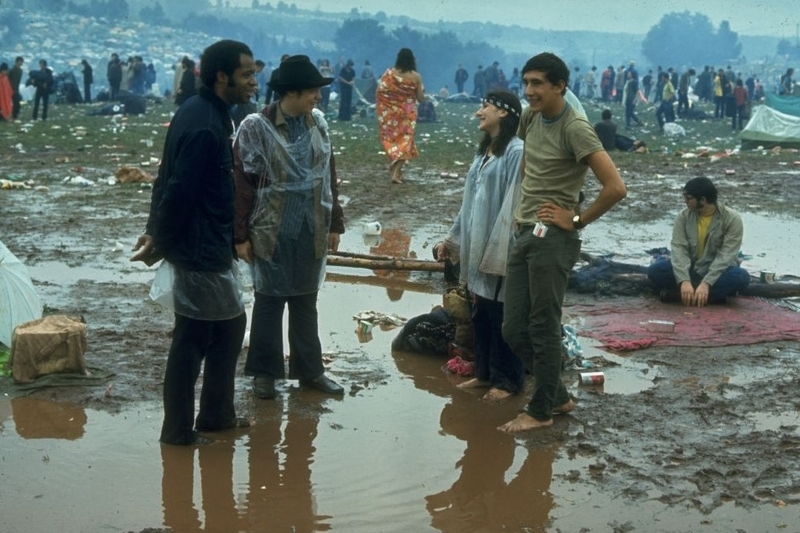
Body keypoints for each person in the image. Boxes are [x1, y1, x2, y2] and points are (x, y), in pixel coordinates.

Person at [129, 39, 258, 446]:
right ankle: (179, 432)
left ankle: (215, 415)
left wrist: (155, 230)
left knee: (224, 328)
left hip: (205, 242)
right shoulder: (205, 123)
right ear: (222, 76)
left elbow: (164, 177)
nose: (254, 82)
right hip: (199, 247)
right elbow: (179, 188)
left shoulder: (204, 112)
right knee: (194, 339)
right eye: (246, 75)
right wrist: (160, 241)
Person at [499, 52, 626, 433]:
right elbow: (530, 164)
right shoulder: (531, 116)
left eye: (537, 83)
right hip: (525, 231)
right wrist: (522, 212)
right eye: (526, 83)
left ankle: (540, 411)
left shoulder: (576, 128)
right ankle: (557, 397)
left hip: (554, 238)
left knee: (543, 325)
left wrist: (575, 219)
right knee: (512, 328)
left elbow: (615, 187)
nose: (529, 91)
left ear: (560, 86)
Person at [232, 54, 346, 400]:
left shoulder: (318, 124)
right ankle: (264, 374)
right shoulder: (257, 126)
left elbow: (328, 174)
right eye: (312, 90)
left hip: (311, 223)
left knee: (305, 300)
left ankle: (310, 371)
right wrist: (239, 236)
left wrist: (335, 223)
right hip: (271, 226)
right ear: (292, 93)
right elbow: (241, 184)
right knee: (269, 300)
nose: (318, 97)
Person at [434, 89, 526, 402]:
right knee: (481, 313)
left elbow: (515, 203)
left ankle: (508, 380)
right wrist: (453, 239)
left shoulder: (516, 151)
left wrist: (501, 247)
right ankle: (484, 374)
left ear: (503, 113)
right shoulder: (484, 151)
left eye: (484, 106)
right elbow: (468, 202)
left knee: (502, 314)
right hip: (477, 243)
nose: (478, 112)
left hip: (499, 245)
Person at [647, 177, 750, 307]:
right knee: (655, 270)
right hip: (691, 269)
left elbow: (726, 257)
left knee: (741, 277)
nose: (685, 202)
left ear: (703, 200)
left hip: (717, 271)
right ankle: (710, 297)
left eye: (689, 198)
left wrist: (707, 283)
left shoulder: (732, 219)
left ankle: (677, 296)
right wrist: (684, 280)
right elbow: (679, 250)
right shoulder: (683, 217)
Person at [376, 48, 425, 184]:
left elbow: (380, 91)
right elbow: (420, 98)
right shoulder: (416, 77)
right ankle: (396, 171)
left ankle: (396, 169)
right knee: (405, 141)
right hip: (407, 114)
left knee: (392, 140)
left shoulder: (389, 73)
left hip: (389, 114)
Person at [9, 56, 23, 121]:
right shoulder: (12, 70)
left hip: (16, 89)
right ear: (16, 62)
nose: (20, 63)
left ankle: (15, 115)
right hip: (10, 88)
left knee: (17, 103)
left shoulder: (20, 71)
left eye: (21, 62)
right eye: (19, 61)